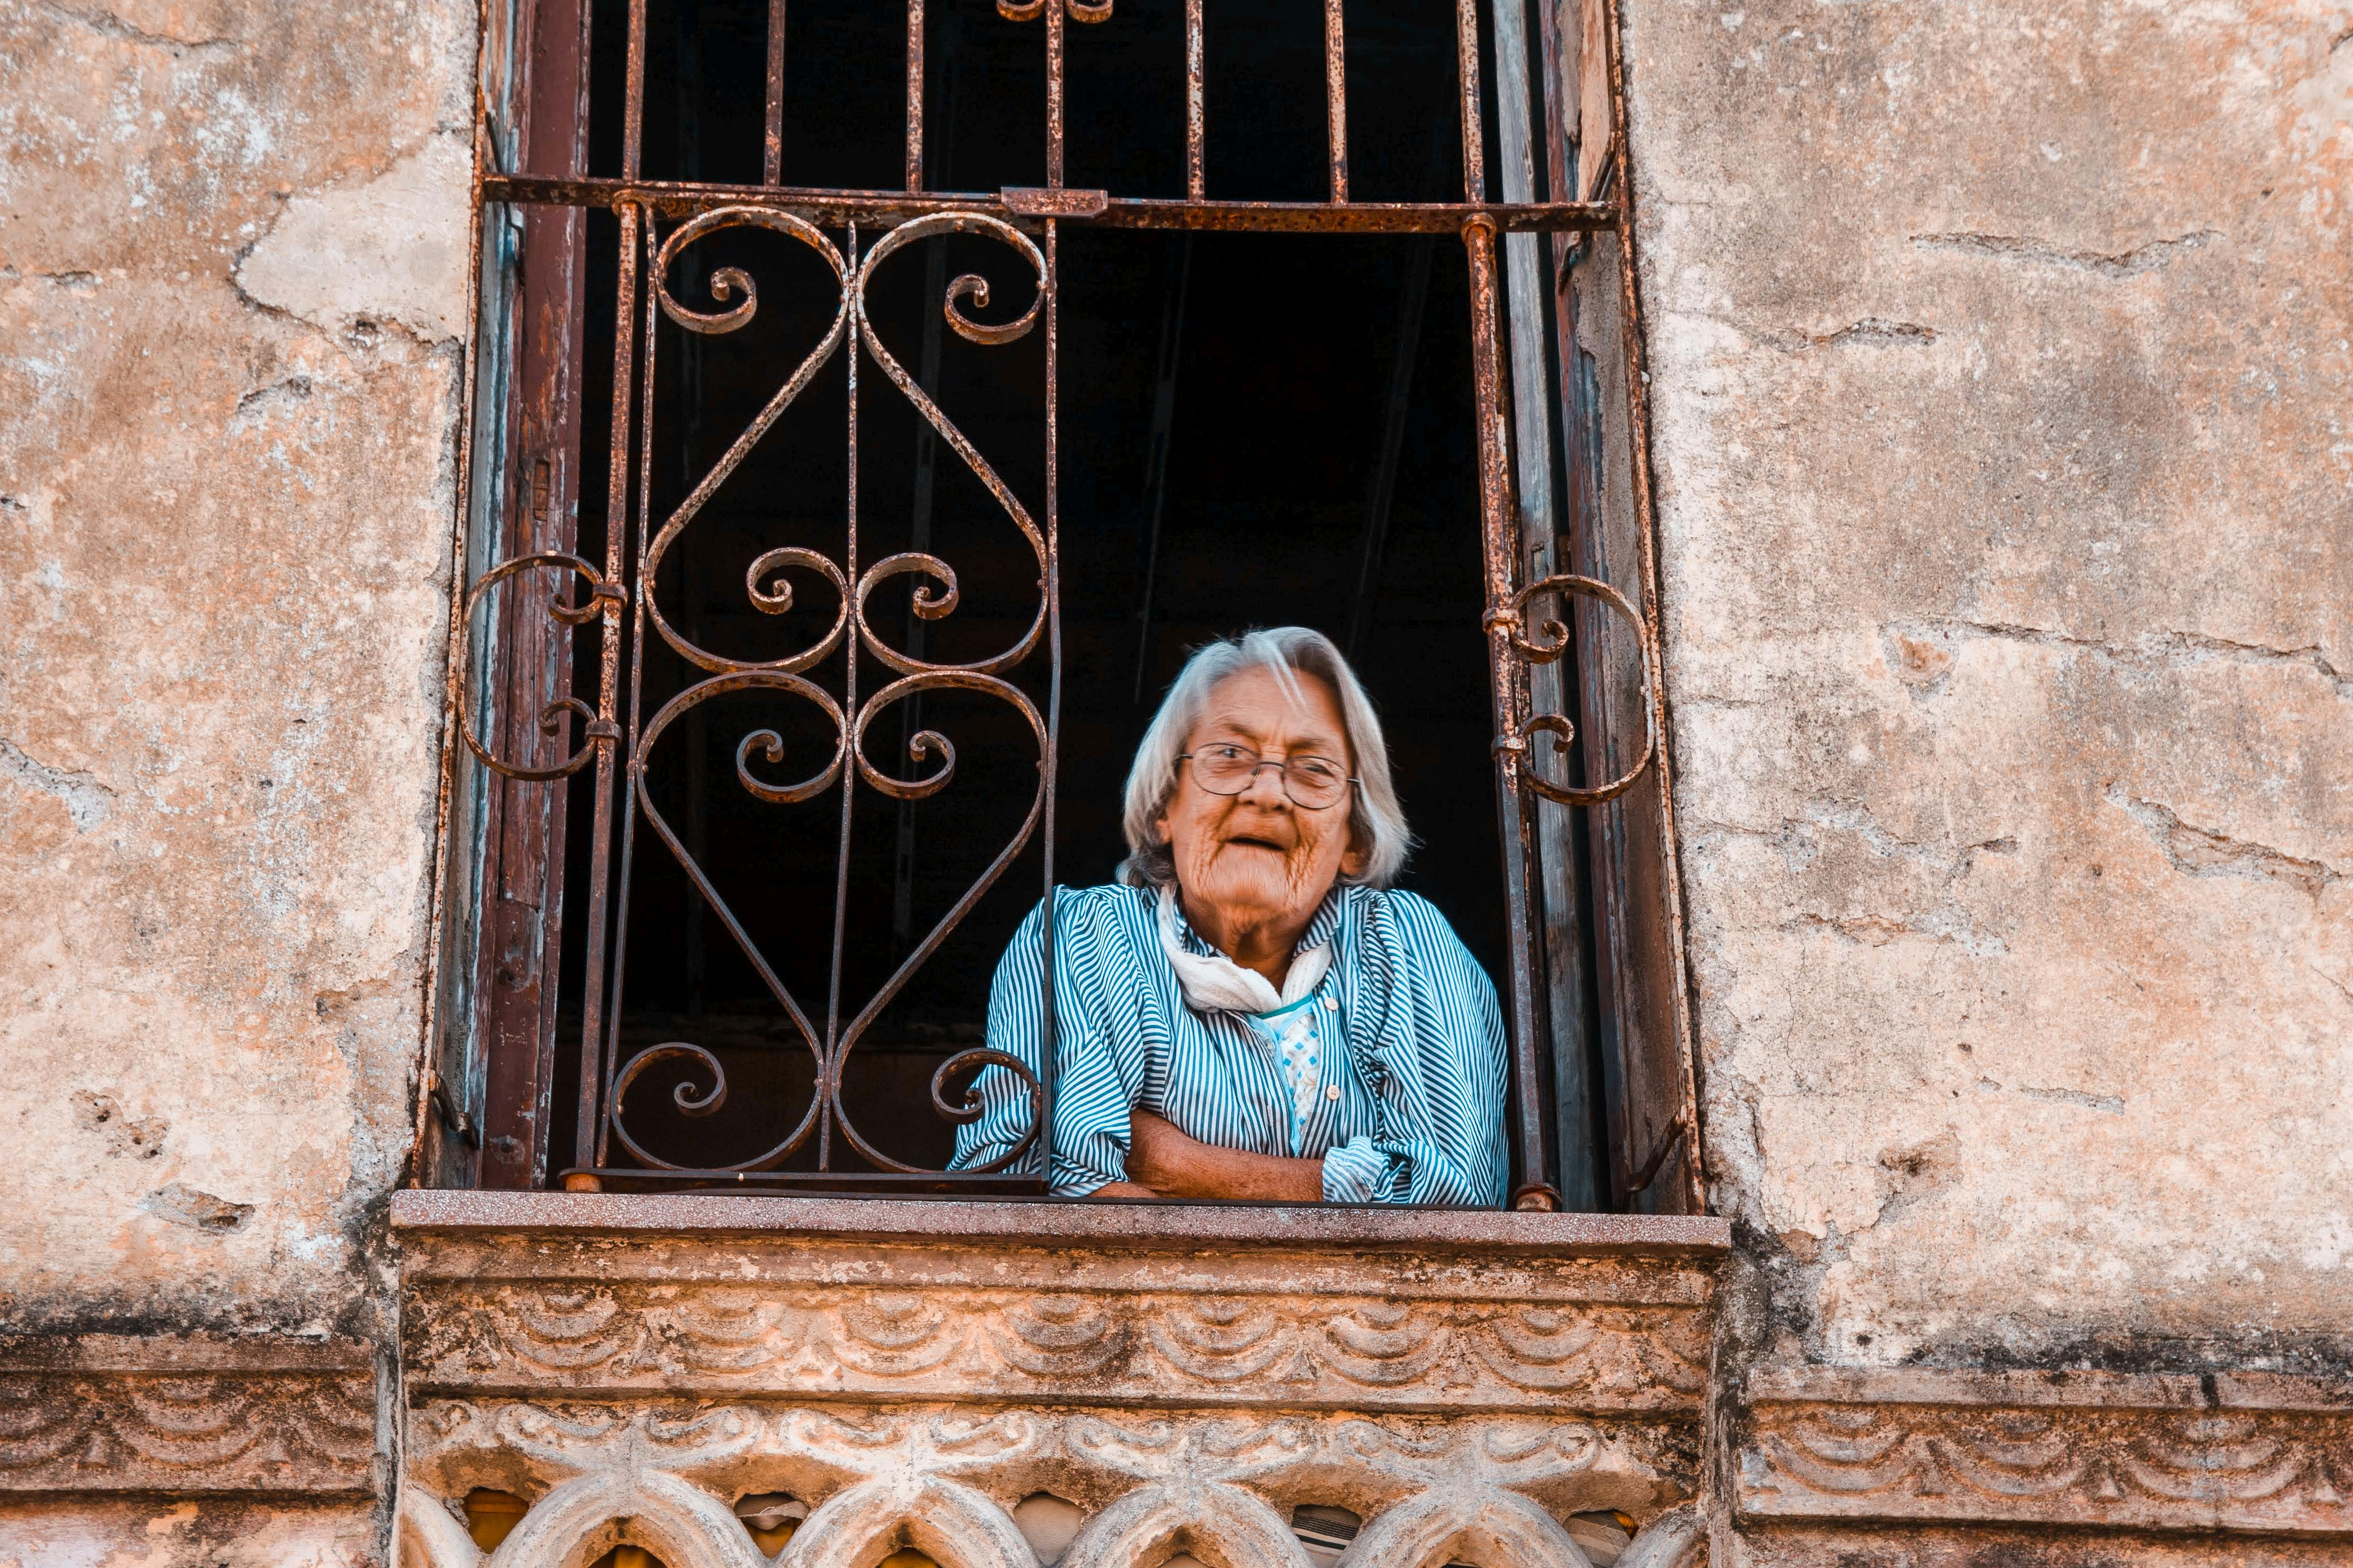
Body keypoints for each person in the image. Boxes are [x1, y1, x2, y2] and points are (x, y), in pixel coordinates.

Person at [951, 626, 1509, 1205]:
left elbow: (1451, 1197)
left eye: (1313, 769)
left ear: (1354, 839)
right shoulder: (1088, 934)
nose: (1267, 793)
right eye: (1228, 755)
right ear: (1166, 805)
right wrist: (1344, 1192)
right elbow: (1041, 1184)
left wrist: (1174, 1162)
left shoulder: (1404, 944)